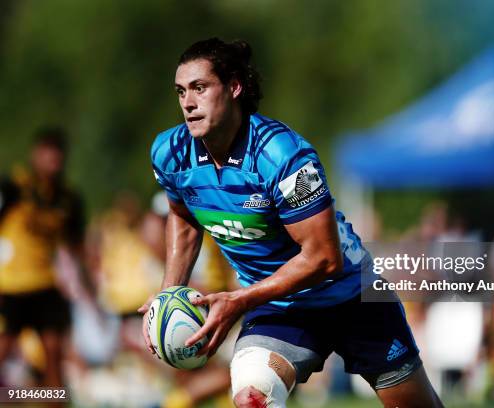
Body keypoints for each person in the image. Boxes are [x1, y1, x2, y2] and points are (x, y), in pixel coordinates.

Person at [140, 38, 443, 408]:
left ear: (234, 87)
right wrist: (168, 296)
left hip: (351, 294)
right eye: (181, 91)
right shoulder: (170, 152)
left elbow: (324, 258)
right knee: (253, 399)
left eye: (200, 88)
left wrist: (239, 300)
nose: (188, 103)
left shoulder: (283, 155)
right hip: (279, 307)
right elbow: (184, 216)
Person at [0, 127, 88, 388]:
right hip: (11, 285)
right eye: (47, 152)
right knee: (4, 349)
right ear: (35, 154)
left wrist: (86, 288)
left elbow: (76, 246)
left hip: (46, 284)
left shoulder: (68, 199)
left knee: (53, 353)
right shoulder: (14, 188)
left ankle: (53, 404)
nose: (53, 160)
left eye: (57, 153)